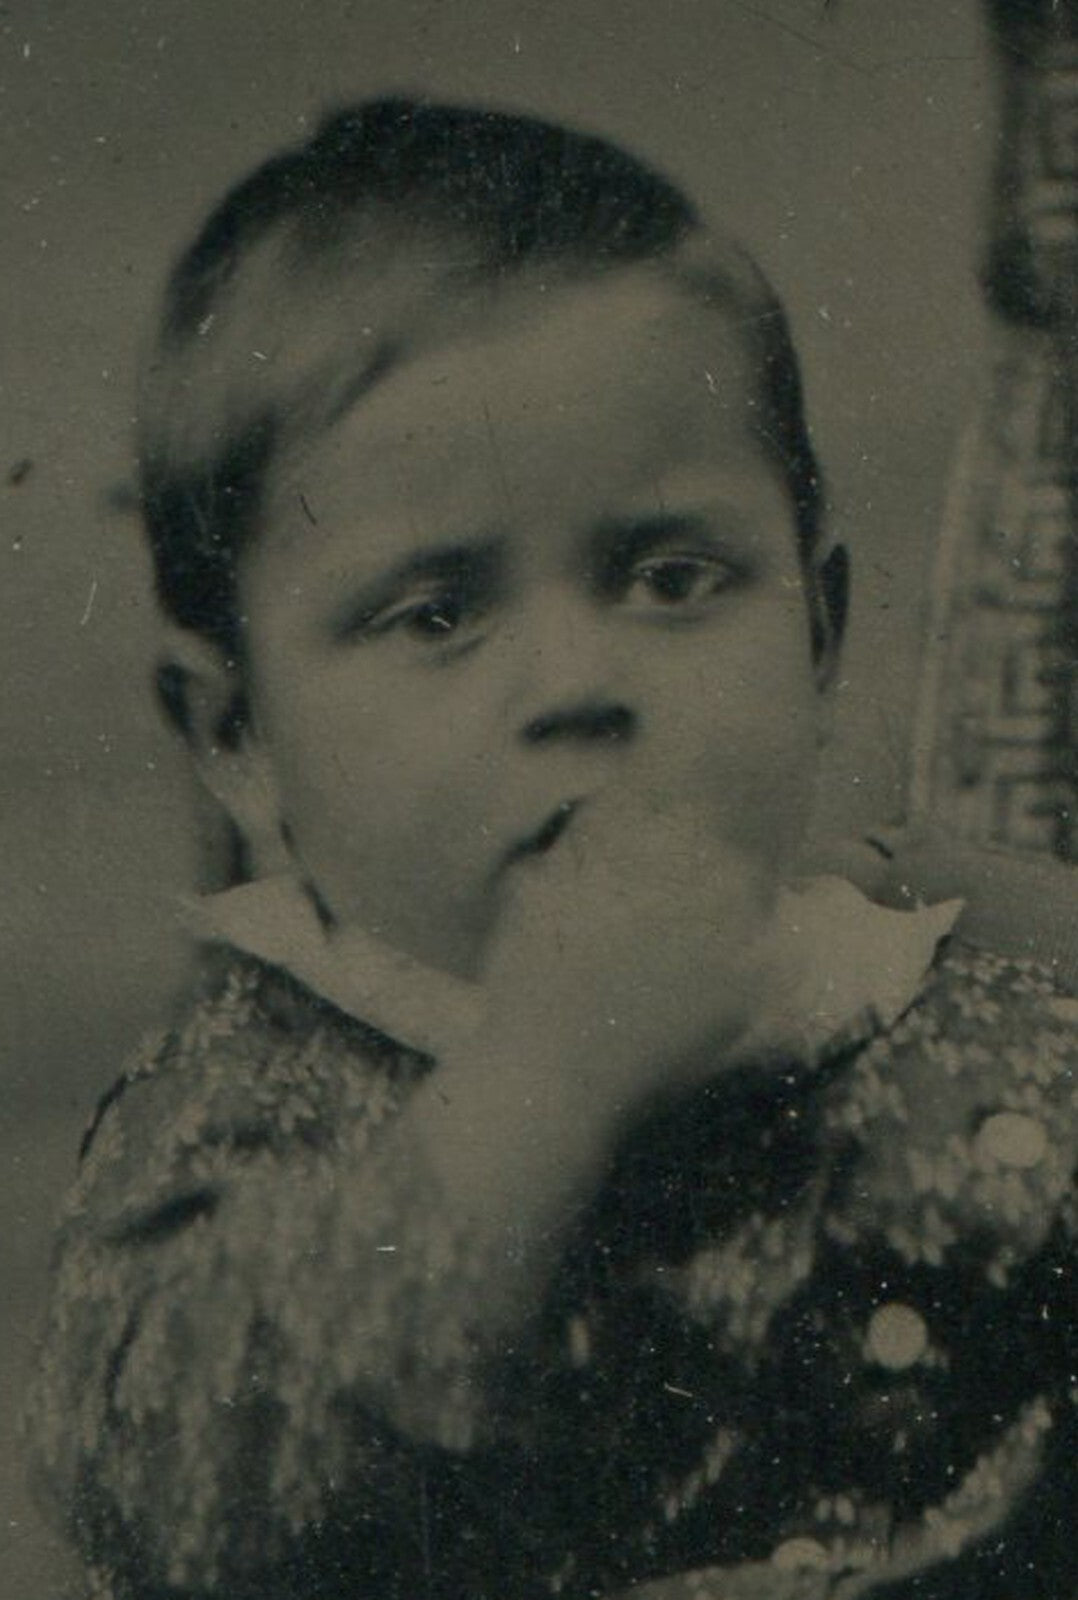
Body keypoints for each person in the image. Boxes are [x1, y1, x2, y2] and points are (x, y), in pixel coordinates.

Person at [25, 100, 1076, 1600]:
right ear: (239, 738)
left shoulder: (959, 993)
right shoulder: (249, 1111)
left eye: (667, 575)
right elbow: (183, 1505)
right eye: (436, 612)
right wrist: (542, 1083)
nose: (578, 682)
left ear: (820, 629)